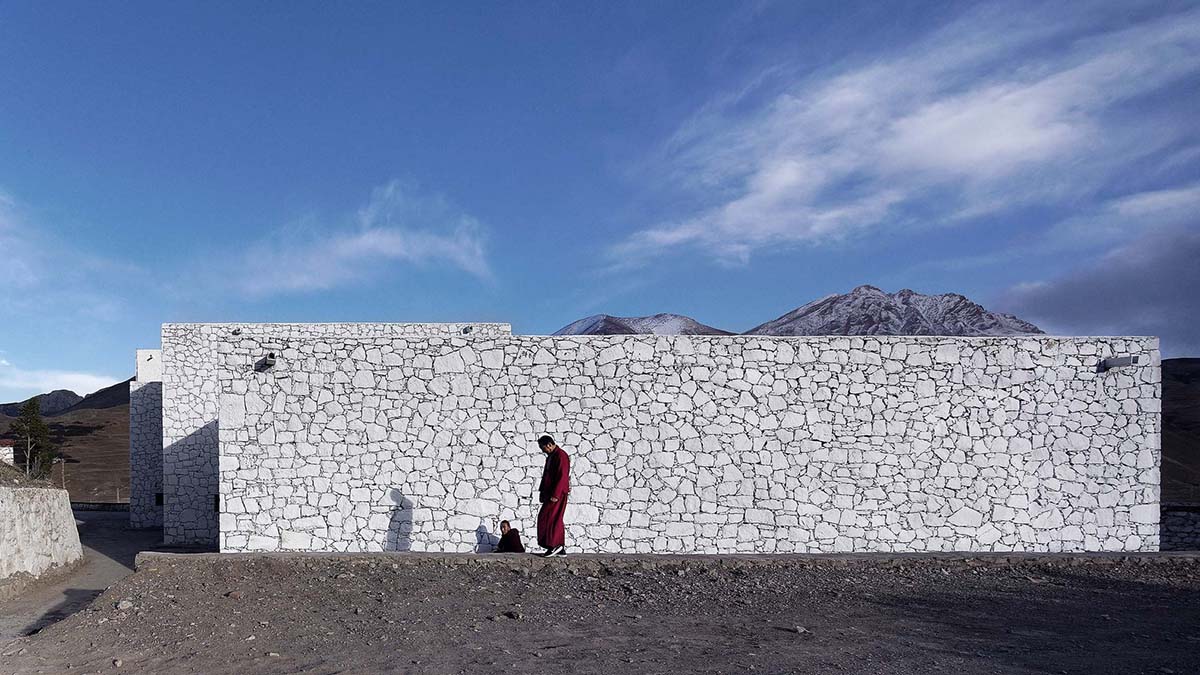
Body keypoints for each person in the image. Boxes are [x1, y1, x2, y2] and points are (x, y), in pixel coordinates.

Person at [535, 435, 570, 557]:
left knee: (551, 518)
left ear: (549, 445)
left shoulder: (561, 456)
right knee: (547, 517)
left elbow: (562, 476)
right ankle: (559, 547)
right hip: (550, 493)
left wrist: (556, 494)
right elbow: (547, 476)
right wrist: (542, 492)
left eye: (543, 447)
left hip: (557, 494)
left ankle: (554, 545)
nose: (542, 450)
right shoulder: (552, 456)